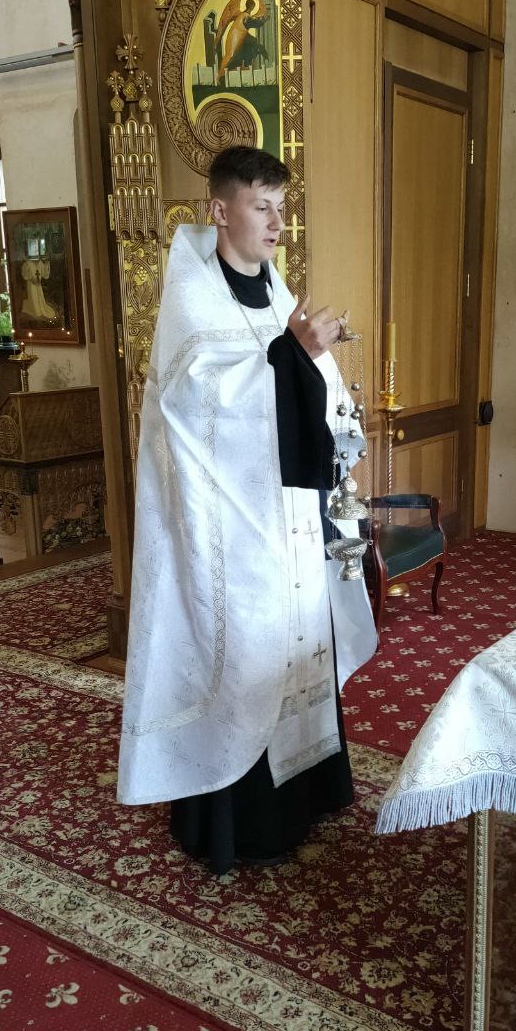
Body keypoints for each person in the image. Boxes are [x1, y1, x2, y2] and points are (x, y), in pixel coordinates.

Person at [117, 146, 377, 875]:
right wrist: (292, 356)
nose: (277, 223)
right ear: (219, 210)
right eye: (262, 206)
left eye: (281, 207)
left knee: (301, 642)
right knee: (246, 651)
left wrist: (320, 375)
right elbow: (201, 403)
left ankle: (307, 796)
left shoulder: (274, 290)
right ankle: (242, 825)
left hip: (290, 513)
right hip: (227, 528)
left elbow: (307, 386)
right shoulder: (192, 296)